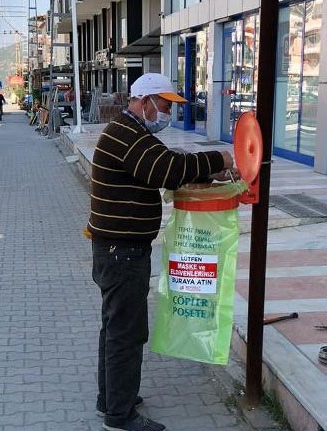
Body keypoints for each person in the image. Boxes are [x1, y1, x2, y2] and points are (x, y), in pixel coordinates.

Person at [87, 73, 235, 431]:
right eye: (165, 106)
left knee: (115, 326)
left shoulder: (130, 133)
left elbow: (164, 165)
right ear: (145, 101)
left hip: (115, 249)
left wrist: (206, 177)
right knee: (126, 331)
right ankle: (120, 415)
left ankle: (111, 397)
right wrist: (221, 159)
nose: (167, 114)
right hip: (121, 253)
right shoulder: (126, 134)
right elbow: (166, 169)